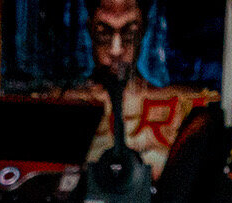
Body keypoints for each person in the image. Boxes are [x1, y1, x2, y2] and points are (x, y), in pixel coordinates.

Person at [63, 0, 216, 178]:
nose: (116, 50)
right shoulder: (61, 106)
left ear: (143, 30)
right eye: (103, 33)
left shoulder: (185, 107)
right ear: (90, 29)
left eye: (130, 33)